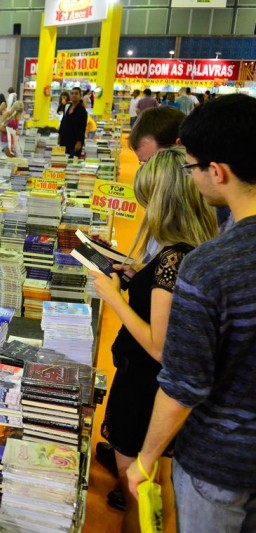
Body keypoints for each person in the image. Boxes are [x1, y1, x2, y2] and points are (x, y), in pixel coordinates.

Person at [127, 94, 256, 533]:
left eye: (192, 165)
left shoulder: (210, 265)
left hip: (219, 465)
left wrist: (145, 461)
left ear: (216, 172)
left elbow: (183, 383)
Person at [89, 147, 217, 533]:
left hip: (144, 386)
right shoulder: (189, 251)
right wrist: (135, 276)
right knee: (155, 481)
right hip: (155, 388)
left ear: (165, 202)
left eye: (148, 200)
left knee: (137, 484)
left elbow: (158, 344)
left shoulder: (171, 259)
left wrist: (113, 296)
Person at [57, 86, 88, 158]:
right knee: (62, 160)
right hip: (64, 139)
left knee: (72, 161)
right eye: (72, 93)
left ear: (80, 96)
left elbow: (82, 127)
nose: (74, 95)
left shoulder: (82, 110)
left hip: (74, 141)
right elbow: (63, 121)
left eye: (76, 93)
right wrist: (59, 135)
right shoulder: (68, 106)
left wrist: (79, 141)